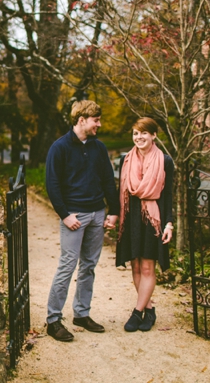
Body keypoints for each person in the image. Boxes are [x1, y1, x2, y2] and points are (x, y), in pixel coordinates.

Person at [45, 100, 120, 342]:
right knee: (68, 265)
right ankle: (53, 320)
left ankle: (81, 314)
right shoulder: (60, 147)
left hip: (97, 214)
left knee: (89, 265)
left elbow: (109, 180)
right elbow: (52, 185)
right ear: (81, 120)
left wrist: (113, 211)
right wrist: (65, 215)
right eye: (96, 120)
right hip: (74, 217)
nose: (99, 124)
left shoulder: (99, 148)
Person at [115, 117, 175, 332]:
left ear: (153, 135)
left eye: (143, 133)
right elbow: (120, 191)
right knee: (136, 265)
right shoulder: (126, 160)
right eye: (135, 133)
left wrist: (169, 223)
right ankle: (149, 310)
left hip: (152, 218)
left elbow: (167, 195)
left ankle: (137, 312)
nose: (139, 137)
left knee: (148, 266)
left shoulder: (165, 161)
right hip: (131, 217)